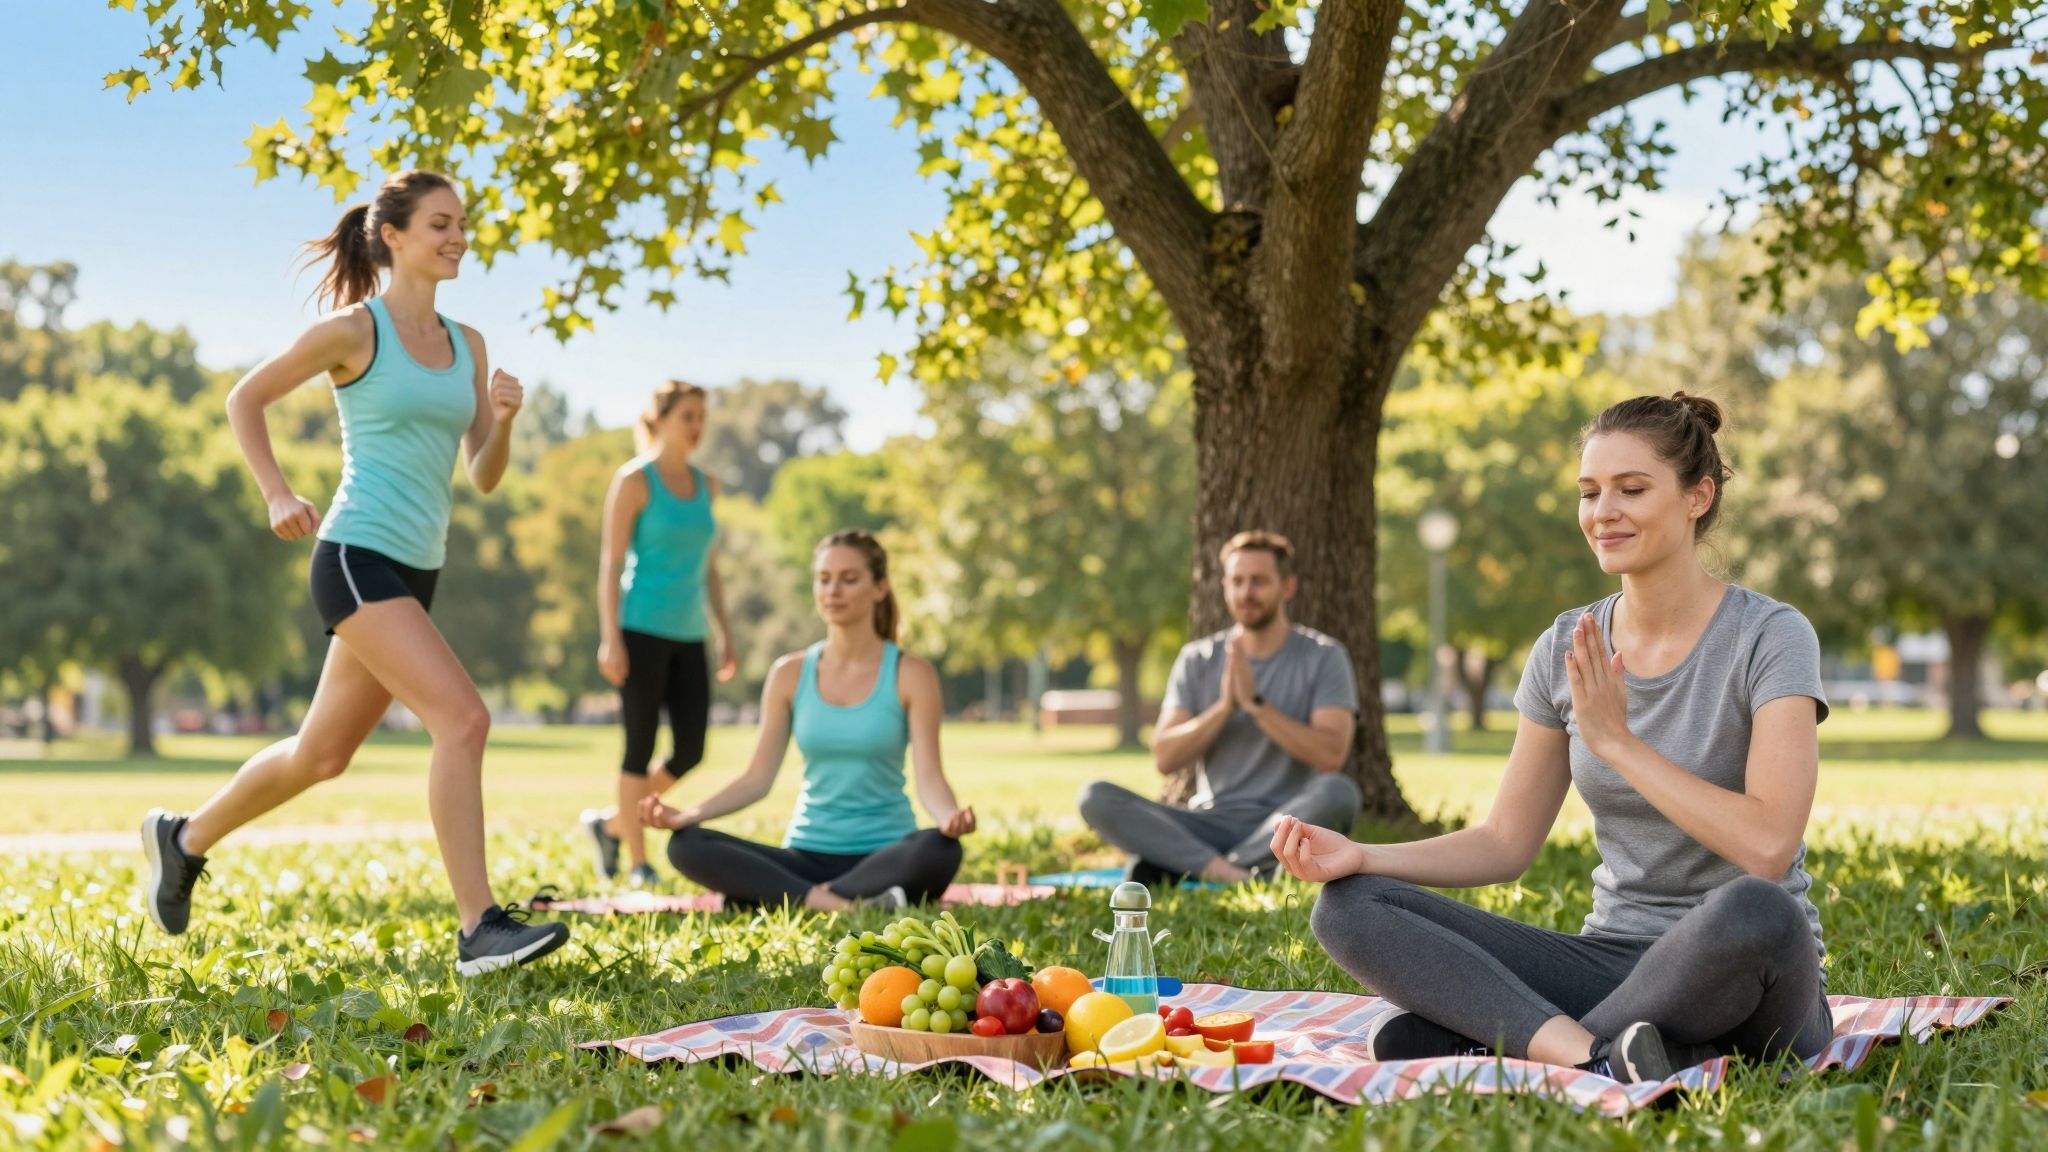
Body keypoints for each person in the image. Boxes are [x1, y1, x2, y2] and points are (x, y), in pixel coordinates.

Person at [1273, 392, 1831, 1085]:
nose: (1603, 512)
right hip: (1609, 962)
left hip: (1751, 971)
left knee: (1758, 910)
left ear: (1698, 497)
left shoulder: (1770, 636)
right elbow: (1505, 842)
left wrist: (1618, 742)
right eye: (1589, 492)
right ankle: (1595, 1055)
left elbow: (1768, 846)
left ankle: (1511, 1036)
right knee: (1351, 905)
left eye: (1632, 489)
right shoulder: (1565, 644)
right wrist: (1363, 855)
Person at [140, 171, 569, 976]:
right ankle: (479, 929)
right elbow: (245, 399)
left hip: (417, 568)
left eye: (462, 224)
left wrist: (505, 422)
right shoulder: (353, 331)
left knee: (320, 755)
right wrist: (276, 492)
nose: (457, 237)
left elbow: (482, 474)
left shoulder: (468, 344)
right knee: (464, 721)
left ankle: (183, 838)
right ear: (393, 235)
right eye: (440, 223)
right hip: (355, 555)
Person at [638, 530, 975, 909]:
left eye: (849, 579)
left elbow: (929, 776)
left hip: (886, 855)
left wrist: (949, 817)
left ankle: (781, 897)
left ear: (880, 588)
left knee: (941, 849)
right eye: (824, 579)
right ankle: (844, 903)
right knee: (686, 844)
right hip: (804, 856)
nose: (833, 591)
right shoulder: (789, 673)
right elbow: (757, 778)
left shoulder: (911, 673)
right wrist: (688, 814)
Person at [1079, 530, 1362, 885]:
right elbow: (1165, 757)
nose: (1246, 593)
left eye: (1259, 581)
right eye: (1237, 581)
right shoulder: (1197, 659)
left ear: (1287, 587)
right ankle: (1237, 872)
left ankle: (1195, 866)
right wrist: (1225, 706)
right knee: (1096, 797)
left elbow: (1331, 755)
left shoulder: (1324, 656)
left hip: (1285, 822)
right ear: (1225, 587)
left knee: (1340, 792)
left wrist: (1256, 706)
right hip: (1206, 823)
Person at [580, 380, 737, 887]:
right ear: (661, 420)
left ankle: (610, 824)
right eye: (687, 416)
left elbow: (710, 568)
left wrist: (725, 632)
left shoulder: (707, 484)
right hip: (640, 628)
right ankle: (638, 863)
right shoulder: (634, 480)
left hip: (690, 633)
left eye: (701, 417)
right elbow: (610, 564)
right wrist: (610, 637)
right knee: (639, 746)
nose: (697, 426)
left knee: (691, 749)